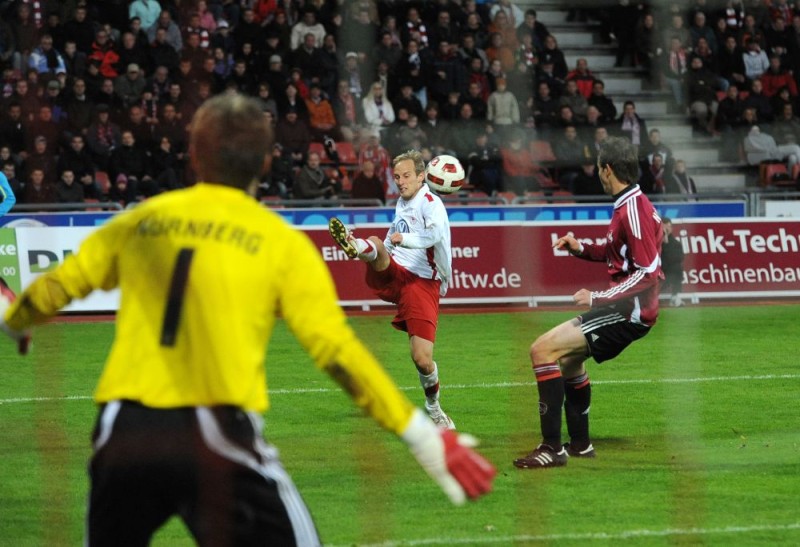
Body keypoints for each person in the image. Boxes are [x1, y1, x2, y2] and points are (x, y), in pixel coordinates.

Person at [0, 94, 495, 544]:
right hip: (215, 433)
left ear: (194, 156)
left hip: (121, 433)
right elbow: (338, 355)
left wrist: (16, 321)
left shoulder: (141, 220)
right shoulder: (279, 243)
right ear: (265, 162)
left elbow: (57, 287)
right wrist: (422, 436)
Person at [513, 136, 664, 469]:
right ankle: (580, 445)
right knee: (567, 362)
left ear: (606, 169)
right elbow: (622, 257)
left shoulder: (634, 212)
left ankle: (551, 449)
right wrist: (582, 249)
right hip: (626, 309)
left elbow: (649, 274)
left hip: (629, 313)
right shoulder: (632, 205)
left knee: (542, 350)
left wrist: (598, 297)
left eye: (599, 166)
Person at [327, 150, 457, 429]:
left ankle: (434, 408)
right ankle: (355, 245)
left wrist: (405, 239)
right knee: (376, 243)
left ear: (422, 176)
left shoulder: (431, 202)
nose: (400, 182)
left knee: (422, 359)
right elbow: (390, 240)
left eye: (407, 175)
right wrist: (384, 245)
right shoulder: (401, 202)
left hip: (422, 282)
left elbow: (433, 235)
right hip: (397, 271)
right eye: (397, 176)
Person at [661, 217, 685, 307]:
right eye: (664, 227)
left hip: (668, 273)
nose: (667, 230)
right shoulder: (653, 242)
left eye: (669, 227)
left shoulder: (675, 243)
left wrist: (666, 242)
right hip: (655, 273)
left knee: (678, 269)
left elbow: (679, 258)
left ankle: (675, 297)